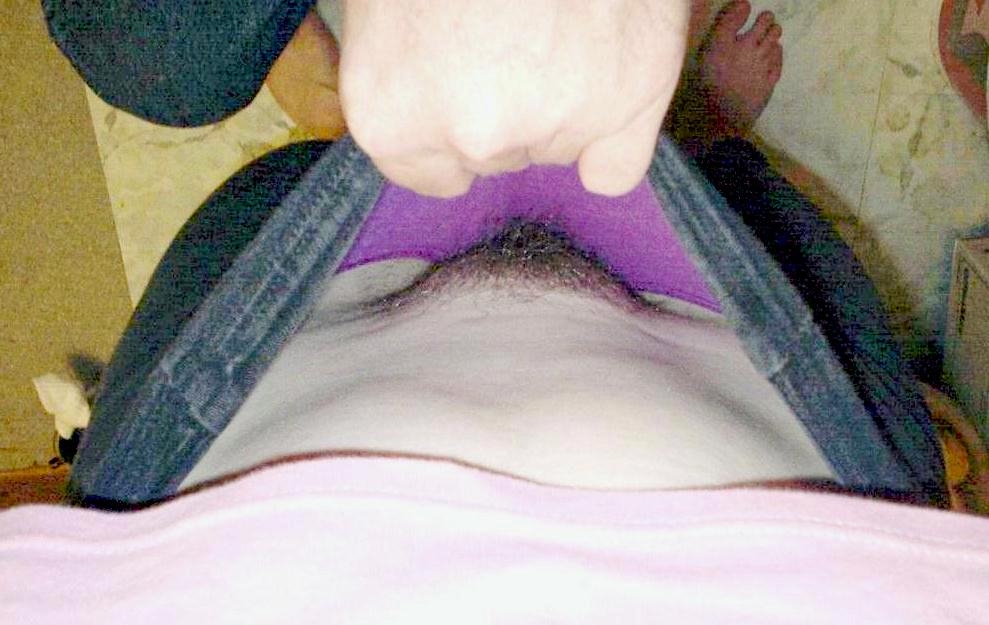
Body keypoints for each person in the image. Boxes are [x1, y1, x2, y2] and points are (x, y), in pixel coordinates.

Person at [5, 1, 987, 621]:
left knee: (160, 60)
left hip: (215, 429)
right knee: (729, 191)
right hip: (806, 435)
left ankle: (346, 120)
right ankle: (692, 127)